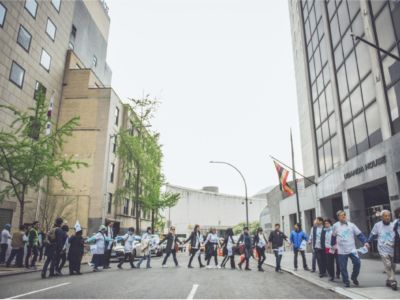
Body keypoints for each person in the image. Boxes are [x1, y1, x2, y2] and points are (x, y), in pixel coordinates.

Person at [331, 210, 369, 288]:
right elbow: (333, 236)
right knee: (343, 267)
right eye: (342, 215)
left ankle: (354, 277)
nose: (344, 216)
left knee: (357, 263)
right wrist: (333, 245)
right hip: (341, 250)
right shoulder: (335, 226)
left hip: (352, 249)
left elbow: (359, 234)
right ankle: (346, 281)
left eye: (344, 214)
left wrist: (365, 242)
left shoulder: (351, 225)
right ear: (338, 217)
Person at [368, 210, 397, 290]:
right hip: (382, 248)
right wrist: (368, 242)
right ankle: (392, 280)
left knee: (393, 265)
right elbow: (373, 234)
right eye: (385, 216)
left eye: (389, 216)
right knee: (387, 264)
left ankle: (388, 280)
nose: (387, 217)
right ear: (382, 217)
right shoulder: (378, 225)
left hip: (392, 248)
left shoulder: (393, 225)